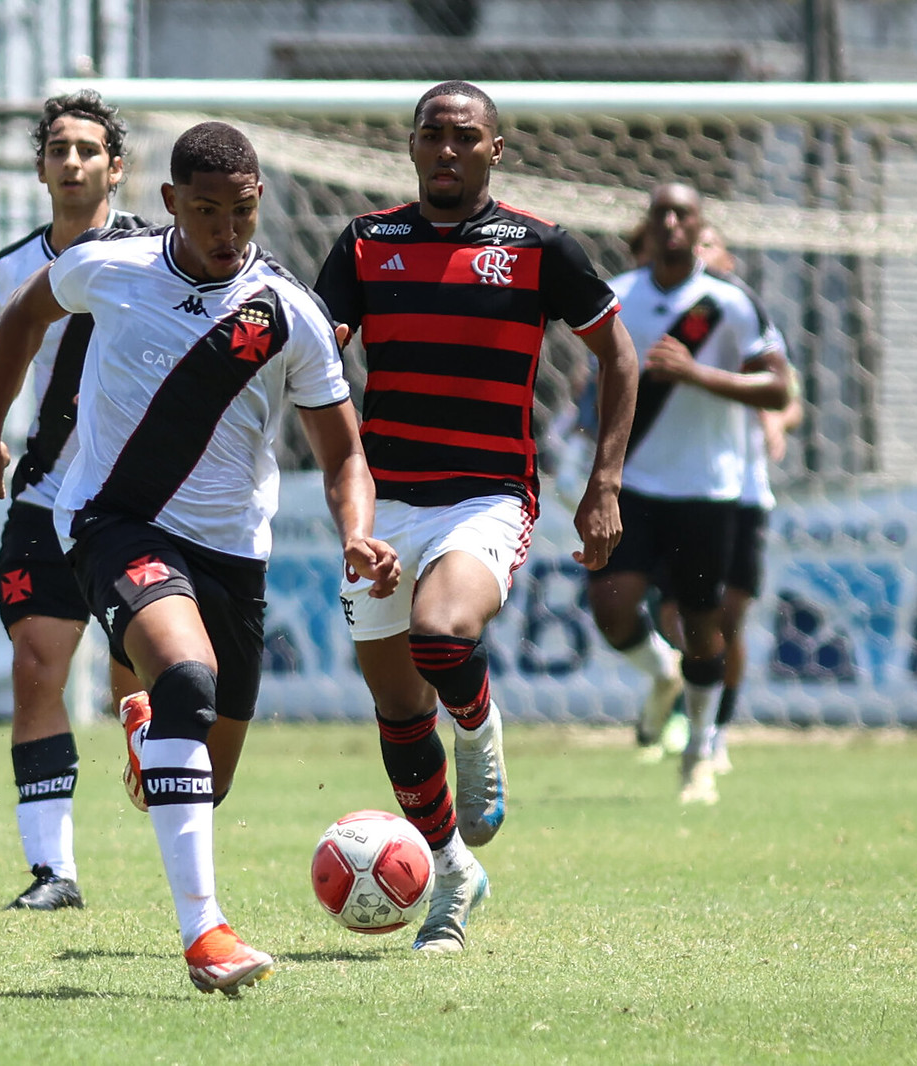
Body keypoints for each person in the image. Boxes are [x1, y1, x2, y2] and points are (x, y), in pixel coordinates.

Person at [0, 121, 400, 995]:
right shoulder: (110, 268)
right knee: (185, 684)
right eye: (204, 212)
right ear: (169, 203)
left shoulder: (290, 313)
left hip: (234, 552)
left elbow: (344, 454)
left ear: (258, 201)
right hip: (111, 523)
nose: (224, 231)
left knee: (206, 773)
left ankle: (148, 732)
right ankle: (206, 935)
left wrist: (356, 529)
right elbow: (20, 320)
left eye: (239, 212)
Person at [314, 80, 639, 953]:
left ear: (497, 149)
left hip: (485, 496)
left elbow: (617, 354)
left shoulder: (539, 247)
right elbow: (313, 368)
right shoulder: (364, 243)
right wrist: (349, 510)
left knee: (441, 636)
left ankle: (481, 728)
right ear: (411, 147)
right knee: (395, 712)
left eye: (465, 137)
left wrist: (602, 483)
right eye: (432, 135)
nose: (446, 150)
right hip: (383, 500)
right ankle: (452, 872)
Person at [0, 90, 149, 912]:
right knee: (35, 668)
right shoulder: (11, 269)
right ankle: (53, 870)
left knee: (141, 682)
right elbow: (13, 368)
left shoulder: (157, 255)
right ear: (40, 167)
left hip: (137, 500)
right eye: (58, 149)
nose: (72, 162)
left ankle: (142, 726)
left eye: (88, 150)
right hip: (45, 496)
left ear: (115, 168)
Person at [586, 184, 791, 806]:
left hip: (708, 491)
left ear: (700, 225)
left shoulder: (727, 303)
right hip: (637, 484)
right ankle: (661, 678)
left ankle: (701, 749)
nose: (672, 223)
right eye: (661, 214)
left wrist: (695, 372)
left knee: (705, 624)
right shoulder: (618, 297)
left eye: (684, 215)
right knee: (612, 607)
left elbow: (779, 390)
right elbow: (592, 379)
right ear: (647, 227)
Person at [692, 226, 805, 773]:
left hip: (745, 492)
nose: (698, 253)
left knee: (729, 617)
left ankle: (717, 728)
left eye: (708, 244)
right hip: (687, 486)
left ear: (727, 258)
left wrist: (776, 419)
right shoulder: (672, 319)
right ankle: (688, 699)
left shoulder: (745, 317)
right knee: (686, 614)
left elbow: (789, 396)